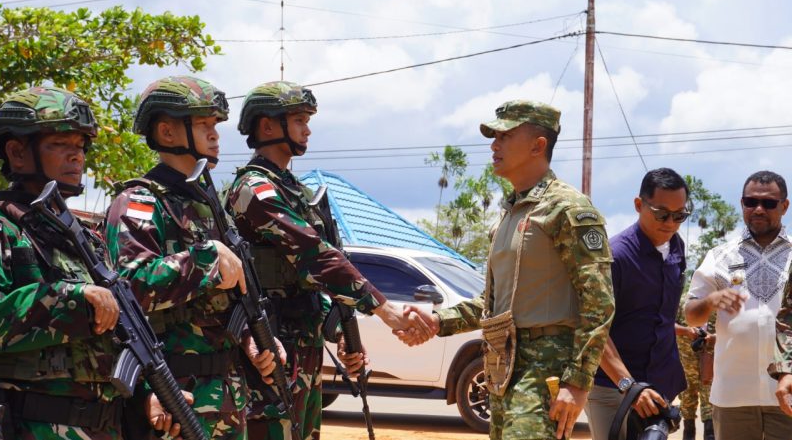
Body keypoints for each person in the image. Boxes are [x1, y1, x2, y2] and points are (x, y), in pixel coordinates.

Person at [398, 99, 615, 440]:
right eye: (493, 136)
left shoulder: (567, 209)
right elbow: (492, 304)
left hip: (547, 368)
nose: (494, 145)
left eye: (505, 136)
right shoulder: (511, 212)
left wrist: (577, 381)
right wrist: (438, 322)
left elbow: (599, 303)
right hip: (502, 365)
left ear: (538, 145)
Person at [224, 81, 428, 440]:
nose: (308, 128)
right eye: (299, 119)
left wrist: (341, 332)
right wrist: (385, 310)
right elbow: (313, 256)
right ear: (268, 127)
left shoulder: (296, 191)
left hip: (304, 350)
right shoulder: (253, 190)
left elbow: (308, 284)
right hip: (270, 354)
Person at [0, 86, 187, 439]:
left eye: (80, 146)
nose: (77, 157)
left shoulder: (83, 238)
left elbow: (117, 341)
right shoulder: (1, 228)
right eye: (60, 144)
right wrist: (71, 299)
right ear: (17, 152)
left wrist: (146, 396)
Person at [104, 76, 283, 440]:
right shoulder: (140, 204)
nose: (215, 134)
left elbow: (229, 297)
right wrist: (205, 260)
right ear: (168, 132)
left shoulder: (208, 205)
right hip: (174, 396)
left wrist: (250, 336)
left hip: (227, 394)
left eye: (215, 125)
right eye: (203, 125)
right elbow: (128, 288)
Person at [685, 170, 792, 440]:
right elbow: (692, 317)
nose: (758, 209)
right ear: (741, 204)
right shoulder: (719, 256)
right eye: (750, 202)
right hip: (732, 397)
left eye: (768, 203)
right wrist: (709, 301)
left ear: (785, 206)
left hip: (787, 392)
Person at [584, 168, 689, 440]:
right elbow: (595, 329)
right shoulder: (614, 257)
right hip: (613, 388)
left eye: (680, 216)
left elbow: (660, 318)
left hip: (660, 387)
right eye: (662, 213)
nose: (670, 223)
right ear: (639, 205)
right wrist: (629, 387)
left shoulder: (677, 248)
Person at [676, 290, 716, 440]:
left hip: (709, 357)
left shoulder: (716, 302)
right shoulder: (682, 302)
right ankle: (688, 434)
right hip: (687, 359)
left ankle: (710, 435)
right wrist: (686, 331)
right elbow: (667, 325)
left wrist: (714, 338)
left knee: (710, 396)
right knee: (687, 396)